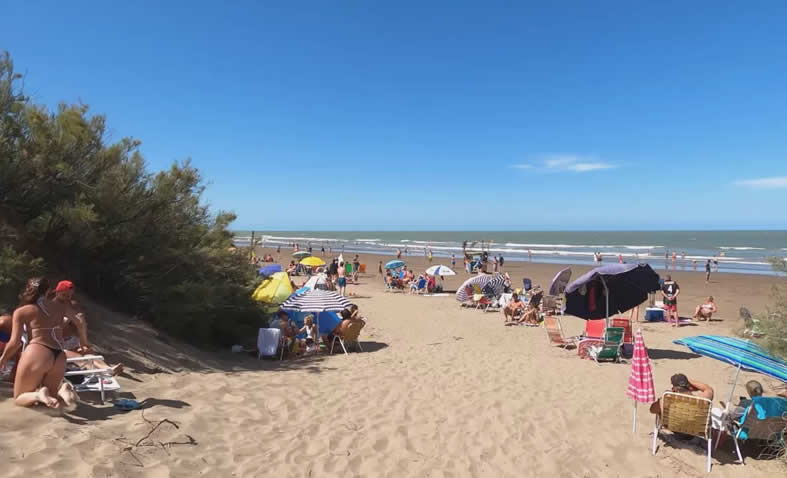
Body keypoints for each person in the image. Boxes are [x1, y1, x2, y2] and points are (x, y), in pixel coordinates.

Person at [0, 278, 78, 409]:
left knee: (20, 397)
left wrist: (3, 359)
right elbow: (79, 322)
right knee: (51, 400)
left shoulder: (23, 311)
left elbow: (15, 342)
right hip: (59, 355)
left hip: (38, 350)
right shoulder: (60, 307)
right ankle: (63, 390)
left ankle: (38, 394)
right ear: (48, 291)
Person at [53, 281, 124, 376]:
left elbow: (80, 325)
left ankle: (108, 369)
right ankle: (101, 372)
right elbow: (53, 328)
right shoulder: (51, 307)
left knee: (88, 353)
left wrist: (84, 343)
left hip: (71, 342)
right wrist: (68, 319)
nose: (67, 297)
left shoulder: (70, 305)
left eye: (69, 295)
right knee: (74, 355)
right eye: (64, 295)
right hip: (58, 345)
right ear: (57, 292)